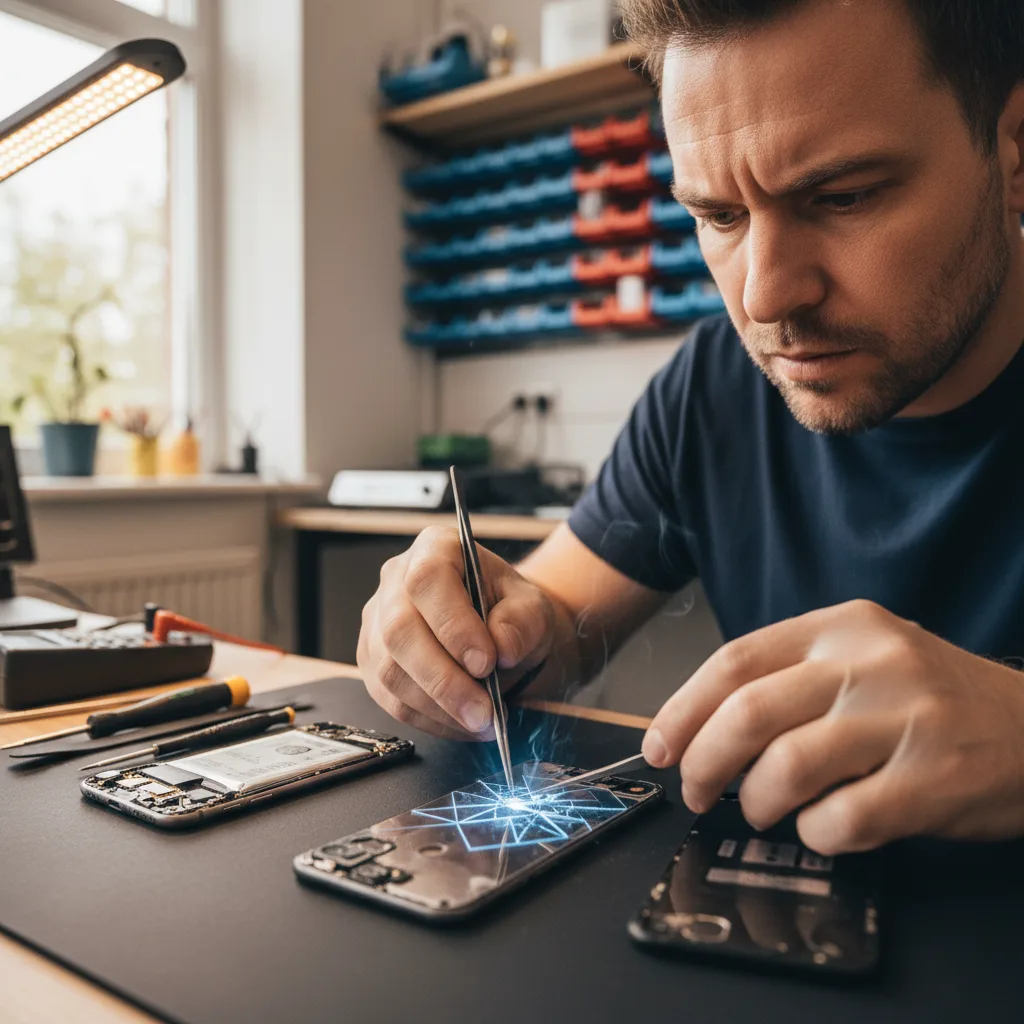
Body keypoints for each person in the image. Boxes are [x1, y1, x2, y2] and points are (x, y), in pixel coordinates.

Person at [358, 0, 1024, 856]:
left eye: (844, 196)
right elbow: (557, 616)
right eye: (719, 217)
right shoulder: (714, 383)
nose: (763, 298)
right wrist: (471, 632)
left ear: (1013, 148)